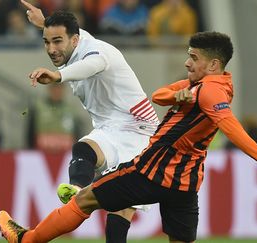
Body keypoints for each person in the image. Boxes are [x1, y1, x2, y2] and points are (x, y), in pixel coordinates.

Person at [0, 31, 257, 243]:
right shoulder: (214, 84)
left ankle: (28, 239)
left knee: (87, 198)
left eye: (193, 58)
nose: (187, 62)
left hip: (152, 171)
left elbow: (233, 129)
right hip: (186, 183)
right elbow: (158, 94)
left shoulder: (208, 90)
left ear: (212, 64)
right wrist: (177, 94)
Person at [18, 1, 160, 243]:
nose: (51, 49)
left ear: (75, 40)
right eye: (47, 42)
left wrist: (58, 76)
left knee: (120, 202)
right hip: (112, 127)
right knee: (119, 204)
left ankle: (74, 190)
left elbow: (92, 65)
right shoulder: (74, 42)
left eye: (57, 41)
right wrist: (45, 24)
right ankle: (75, 188)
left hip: (138, 128)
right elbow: (66, 34)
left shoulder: (97, 51)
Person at [26, 83, 84, 153]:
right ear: (49, 89)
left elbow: (77, 133)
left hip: (65, 154)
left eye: (59, 88)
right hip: (41, 153)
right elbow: (30, 132)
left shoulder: (71, 110)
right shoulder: (38, 108)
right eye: (54, 88)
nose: (57, 91)